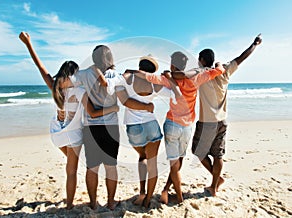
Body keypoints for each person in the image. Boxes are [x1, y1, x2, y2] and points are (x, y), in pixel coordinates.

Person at [19, 32, 119, 209]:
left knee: (77, 167)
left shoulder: (55, 88)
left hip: (58, 133)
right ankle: (89, 204)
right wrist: (113, 108)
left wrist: (28, 44)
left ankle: (79, 203)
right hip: (78, 134)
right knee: (90, 168)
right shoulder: (80, 90)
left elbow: (41, 68)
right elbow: (94, 111)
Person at [69, 45, 155, 210]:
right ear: (110, 58)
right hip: (110, 127)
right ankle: (110, 202)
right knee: (111, 166)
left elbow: (65, 83)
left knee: (92, 167)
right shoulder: (115, 76)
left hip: (91, 127)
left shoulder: (84, 74)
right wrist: (146, 106)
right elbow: (125, 101)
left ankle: (93, 203)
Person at [134, 51, 225, 204]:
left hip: (172, 124)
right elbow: (218, 71)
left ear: (172, 64)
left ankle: (178, 196)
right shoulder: (197, 78)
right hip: (187, 126)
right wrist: (219, 65)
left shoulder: (167, 79)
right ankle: (167, 190)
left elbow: (148, 76)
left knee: (173, 163)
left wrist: (133, 72)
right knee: (179, 161)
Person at [97, 55, 181, 208]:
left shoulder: (128, 78)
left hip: (133, 127)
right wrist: (168, 79)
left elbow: (120, 95)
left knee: (142, 157)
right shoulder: (155, 84)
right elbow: (175, 94)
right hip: (151, 125)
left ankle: (142, 192)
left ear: (139, 65)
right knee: (152, 164)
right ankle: (148, 199)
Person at [191, 34, 262, 197]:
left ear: (201, 60)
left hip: (206, 122)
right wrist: (254, 44)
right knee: (218, 154)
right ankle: (215, 186)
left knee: (198, 151)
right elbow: (241, 58)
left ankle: (217, 180)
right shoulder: (224, 70)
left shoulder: (201, 74)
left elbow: (183, 76)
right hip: (222, 121)